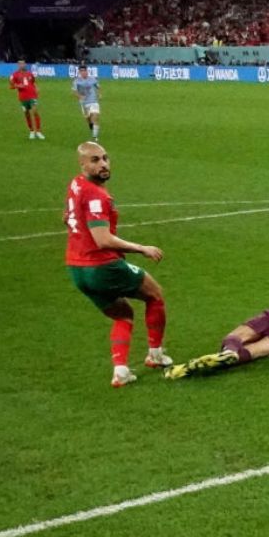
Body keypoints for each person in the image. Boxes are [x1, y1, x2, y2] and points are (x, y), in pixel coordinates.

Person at [65, 142, 173, 387]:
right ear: (82, 164)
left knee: (122, 315)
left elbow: (67, 216)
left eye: (105, 158)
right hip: (101, 266)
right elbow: (103, 240)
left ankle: (121, 371)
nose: (102, 164)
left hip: (76, 270)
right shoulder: (96, 194)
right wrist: (142, 248)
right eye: (94, 160)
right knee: (154, 295)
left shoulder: (76, 184)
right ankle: (155, 354)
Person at [9, 59, 45, 140]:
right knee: (27, 114)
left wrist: (37, 88)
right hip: (23, 97)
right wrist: (18, 86)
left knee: (35, 111)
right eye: (20, 64)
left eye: (23, 63)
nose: (22, 65)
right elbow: (11, 86)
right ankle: (32, 131)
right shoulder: (14, 75)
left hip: (32, 96)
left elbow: (33, 82)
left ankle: (38, 131)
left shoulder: (30, 74)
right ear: (18, 65)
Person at [72, 65, 102, 140]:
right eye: (81, 71)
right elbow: (74, 92)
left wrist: (100, 94)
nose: (83, 73)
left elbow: (98, 87)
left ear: (87, 71)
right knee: (88, 118)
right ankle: (90, 124)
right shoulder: (76, 81)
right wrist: (79, 96)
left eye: (84, 71)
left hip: (93, 101)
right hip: (84, 103)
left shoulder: (92, 79)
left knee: (95, 117)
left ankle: (95, 137)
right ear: (79, 72)